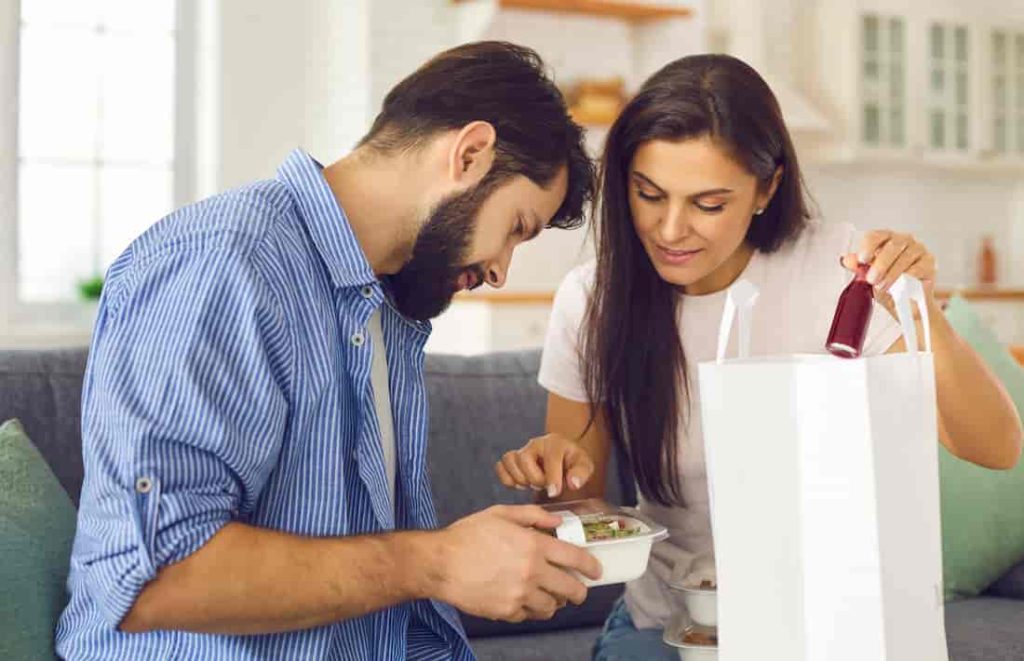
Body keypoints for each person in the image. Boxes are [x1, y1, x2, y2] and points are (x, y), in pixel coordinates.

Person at [56, 41, 603, 660]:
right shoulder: (224, 265)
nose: (501, 270)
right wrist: (436, 561)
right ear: (469, 154)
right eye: (516, 229)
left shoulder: (384, 308)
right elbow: (154, 579)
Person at [495, 54, 1023, 660]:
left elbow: (996, 447)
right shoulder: (592, 299)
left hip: (824, 616)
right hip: (672, 619)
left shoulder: (841, 271)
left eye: (709, 204)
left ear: (766, 189)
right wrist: (554, 480)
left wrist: (920, 305)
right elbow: (576, 507)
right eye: (649, 194)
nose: (670, 230)